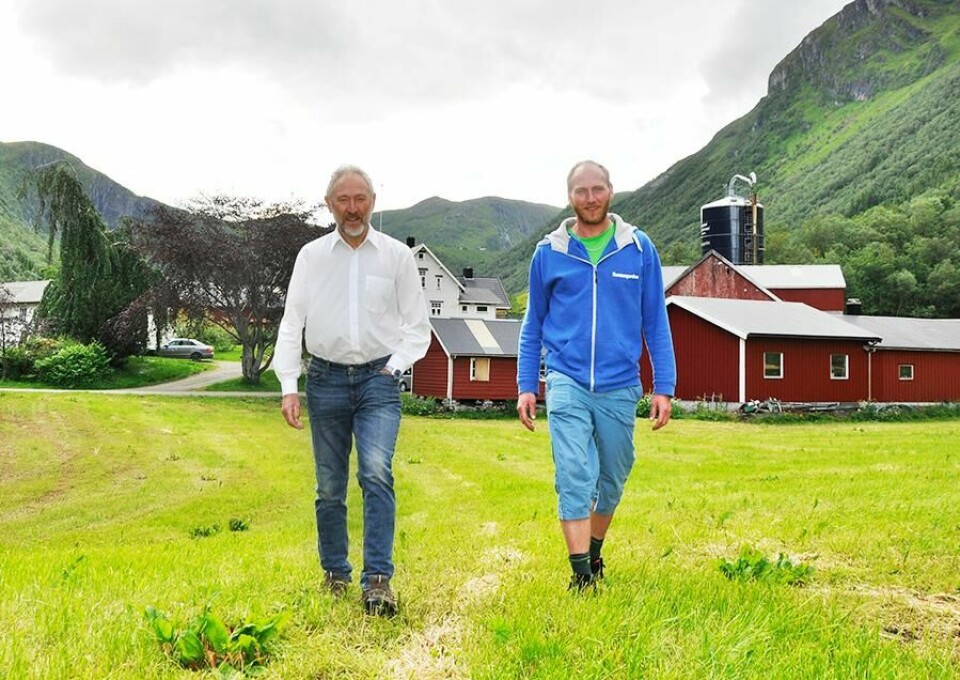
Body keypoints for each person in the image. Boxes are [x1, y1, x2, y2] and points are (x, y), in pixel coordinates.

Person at [274, 165, 431, 616]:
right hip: (324, 380)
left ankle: (378, 581)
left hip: (378, 381)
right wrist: (289, 385)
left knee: (376, 472)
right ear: (329, 205)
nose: (352, 208)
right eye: (343, 200)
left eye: (360, 198)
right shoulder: (311, 257)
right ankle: (335, 574)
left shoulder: (396, 257)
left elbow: (417, 326)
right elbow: (292, 322)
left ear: (373, 202)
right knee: (329, 485)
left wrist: (394, 368)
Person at [516, 160, 676, 592]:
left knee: (613, 476)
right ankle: (581, 576)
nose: (590, 198)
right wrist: (527, 385)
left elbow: (655, 320)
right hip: (566, 379)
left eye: (597, 189)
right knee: (574, 474)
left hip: (620, 383)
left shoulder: (637, 248)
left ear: (610, 191)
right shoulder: (549, 252)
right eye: (581, 191)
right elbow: (533, 324)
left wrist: (664, 386)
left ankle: (595, 550)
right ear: (570, 196)